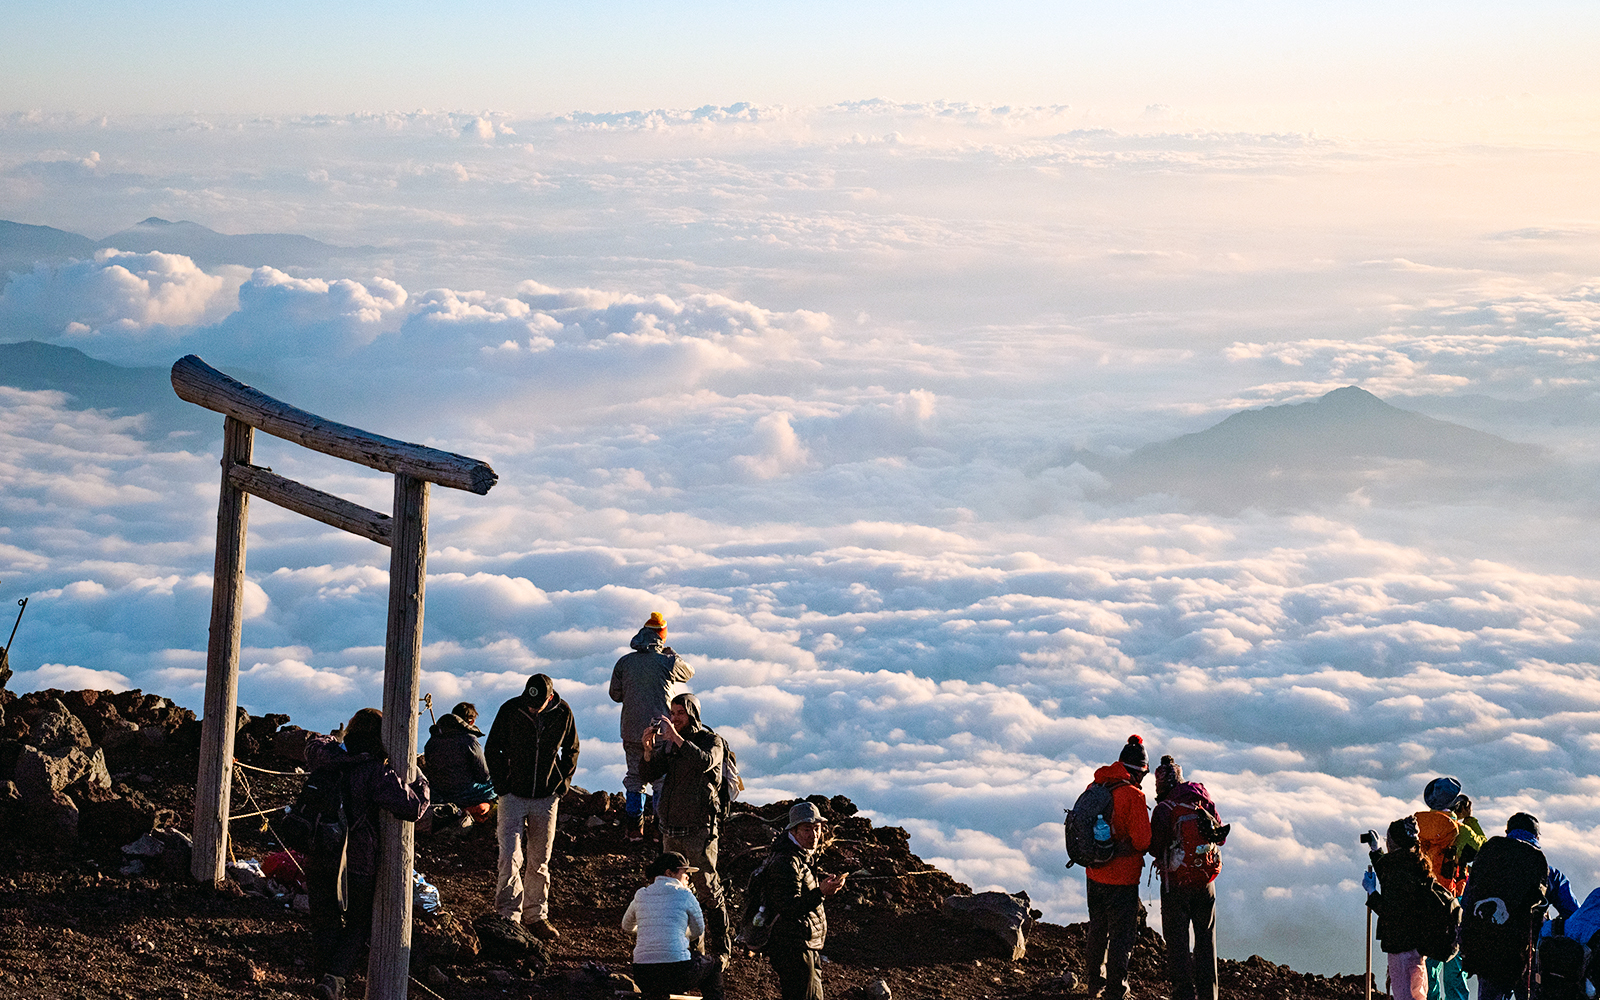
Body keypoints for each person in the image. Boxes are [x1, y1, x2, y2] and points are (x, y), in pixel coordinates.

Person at [304, 708, 431, 1000]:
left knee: (324, 920)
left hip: (318, 850)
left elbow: (314, 743)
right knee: (359, 921)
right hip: (356, 860)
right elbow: (412, 807)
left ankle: (324, 978)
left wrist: (333, 740)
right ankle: (334, 978)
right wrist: (420, 780)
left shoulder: (325, 757)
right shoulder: (375, 771)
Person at [485, 673, 580, 940]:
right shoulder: (510, 709)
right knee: (510, 856)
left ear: (550, 698)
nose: (531, 708)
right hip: (512, 795)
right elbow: (493, 748)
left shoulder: (563, 712)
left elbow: (571, 749)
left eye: (536, 705)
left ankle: (536, 915)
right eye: (528, 702)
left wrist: (562, 784)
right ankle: (508, 915)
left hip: (546, 797)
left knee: (540, 859)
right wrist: (502, 784)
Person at [639, 692, 730, 957]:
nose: (676, 718)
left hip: (699, 830)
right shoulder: (670, 744)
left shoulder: (711, 741)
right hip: (671, 829)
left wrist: (676, 739)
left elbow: (704, 762)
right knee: (677, 890)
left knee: (708, 889)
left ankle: (722, 949)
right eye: (673, 712)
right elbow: (650, 773)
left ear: (693, 714)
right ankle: (692, 950)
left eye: (681, 713)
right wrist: (648, 750)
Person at [1462, 813, 1579, 1000]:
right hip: (1528, 954)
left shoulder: (1485, 863)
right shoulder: (1548, 872)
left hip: (1487, 947)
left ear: (1507, 832)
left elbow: (1467, 902)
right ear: (1537, 837)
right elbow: (1574, 914)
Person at [1148, 754, 1227, 1000]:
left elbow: (1154, 846)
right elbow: (1220, 837)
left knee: (1178, 943)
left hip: (1176, 884)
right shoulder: (1203, 799)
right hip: (1206, 881)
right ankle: (1209, 995)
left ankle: (1183, 994)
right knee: (1206, 940)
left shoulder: (1164, 809)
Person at [610, 611, 694, 839]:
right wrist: (671, 653)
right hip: (661, 731)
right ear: (661, 636)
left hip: (631, 730)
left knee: (635, 778)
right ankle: (660, 828)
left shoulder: (624, 662)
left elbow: (615, 695)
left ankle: (634, 828)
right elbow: (689, 673)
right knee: (661, 778)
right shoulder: (668, 662)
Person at [1082, 735, 1153, 1000]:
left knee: (1097, 928)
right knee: (1122, 937)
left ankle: (1093, 983)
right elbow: (1143, 840)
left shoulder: (1096, 784)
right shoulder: (1133, 796)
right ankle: (1116, 990)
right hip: (1122, 880)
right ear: (1139, 771)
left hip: (1093, 872)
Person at [763, 801, 849, 1000]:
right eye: (807, 829)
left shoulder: (801, 856)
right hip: (794, 948)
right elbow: (788, 907)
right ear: (793, 830)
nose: (814, 835)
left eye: (817, 829)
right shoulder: (786, 861)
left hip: (805, 945)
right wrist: (820, 892)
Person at [1414, 777, 1486, 1000]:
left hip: (1424, 901)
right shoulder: (1459, 830)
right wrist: (1470, 819)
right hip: (1454, 900)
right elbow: (1482, 849)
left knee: (1430, 962)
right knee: (1455, 963)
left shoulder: (1416, 827)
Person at [621, 850, 726, 1000]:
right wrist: (677, 933)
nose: (688, 877)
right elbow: (698, 930)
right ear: (669, 873)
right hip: (677, 972)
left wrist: (651, 930)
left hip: (643, 974)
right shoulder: (685, 894)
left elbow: (626, 926)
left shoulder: (641, 894)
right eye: (684, 873)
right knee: (713, 966)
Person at [1364, 817, 1439, 1000]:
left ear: (1395, 842)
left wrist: (1372, 893)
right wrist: (1376, 851)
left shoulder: (1398, 871)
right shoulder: (1416, 862)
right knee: (1417, 995)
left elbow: (1392, 911)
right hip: (1418, 946)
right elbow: (1390, 876)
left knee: (1405, 996)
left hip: (1401, 947)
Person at [422, 711, 495, 822]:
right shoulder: (470, 740)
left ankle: (462, 810)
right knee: (497, 782)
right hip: (467, 793)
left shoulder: (430, 744)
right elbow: (483, 776)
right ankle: (484, 806)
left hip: (440, 795)